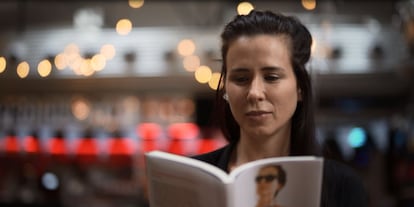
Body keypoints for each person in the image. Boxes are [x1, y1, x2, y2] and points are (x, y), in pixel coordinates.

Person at [192, 10, 368, 207]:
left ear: (300, 87)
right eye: (241, 79)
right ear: (225, 87)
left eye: (271, 77)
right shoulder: (192, 178)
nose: (254, 92)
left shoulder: (340, 186)